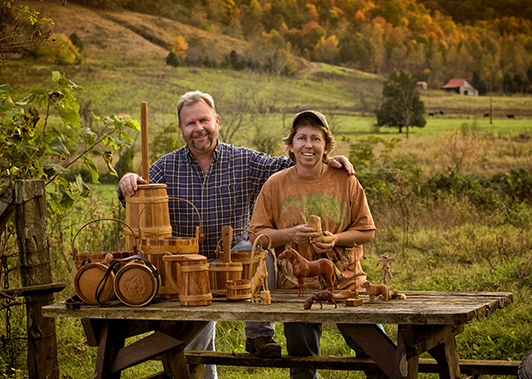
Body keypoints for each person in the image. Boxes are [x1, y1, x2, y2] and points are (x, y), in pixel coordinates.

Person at [117, 91, 355, 379]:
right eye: (190, 123)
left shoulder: (243, 160)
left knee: (253, 247)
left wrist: (326, 159)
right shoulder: (167, 166)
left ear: (216, 121)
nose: (198, 128)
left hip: (233, 263)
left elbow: (293, 166)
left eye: (204, 120)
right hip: (185, 269)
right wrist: (127, 181)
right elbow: (137, 192)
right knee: (196, 349)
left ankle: (258, 334)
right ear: (181, 129)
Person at [248, 110, 388, 379]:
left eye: (316, 138)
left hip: (348, 283)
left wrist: (337, 238)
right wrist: (290, 234)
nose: (308, 145)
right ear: (291, 145)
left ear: (326, 146)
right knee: (302, 364)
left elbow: (367, 231)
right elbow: (257, 236)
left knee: (377, 355)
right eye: (301, 138)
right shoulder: (275, 184)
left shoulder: (346, 180)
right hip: (295, 289)